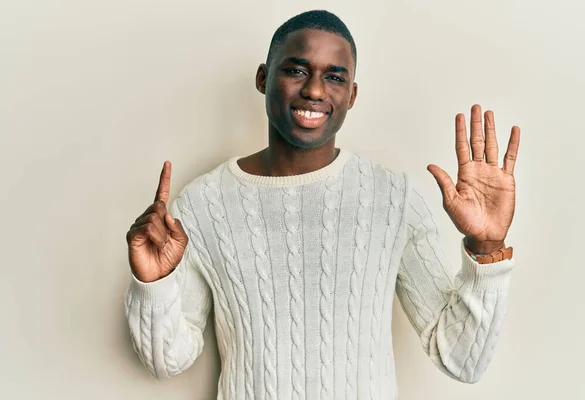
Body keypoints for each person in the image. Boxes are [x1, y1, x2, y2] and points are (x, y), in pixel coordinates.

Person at [124, 9, 521, 400]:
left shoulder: (395, 199)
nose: (315, 90)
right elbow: (166, 361)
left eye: (334, 77)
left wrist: (487, 247)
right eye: (296, 70)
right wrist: (152, 285)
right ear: (263, 78)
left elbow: (463, 360)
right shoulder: (202, 205)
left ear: (352, 95)